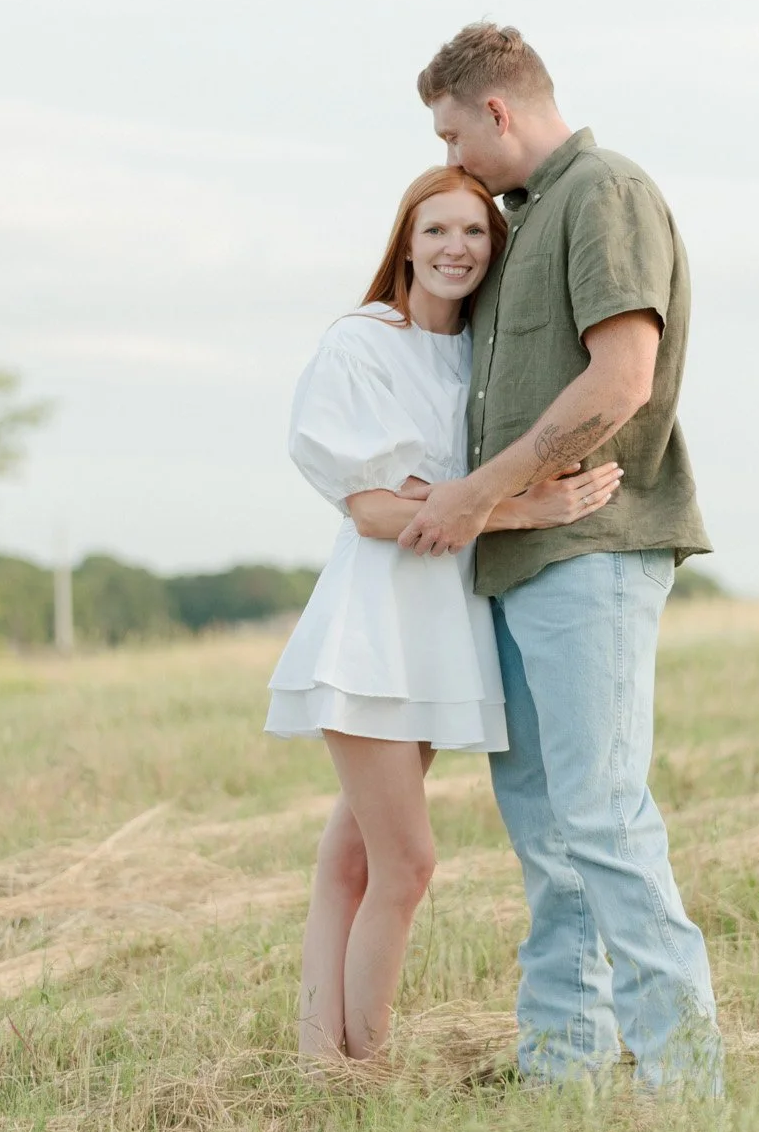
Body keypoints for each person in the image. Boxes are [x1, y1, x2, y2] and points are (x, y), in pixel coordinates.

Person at [399, 23, 725, 1095]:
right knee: (545, 833)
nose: (454, 157)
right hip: (517, 567)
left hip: (593, 553)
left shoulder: (604, 193)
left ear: (497, 110)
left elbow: (619, 377)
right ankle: (561, 1077)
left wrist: (480, 493)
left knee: (600, 813)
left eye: (454, 132)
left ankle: (685, 1087)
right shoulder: (514, 224)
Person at [266, 164, 623, 1064]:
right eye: (436, 231)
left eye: (473, 233)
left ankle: (322, 1064)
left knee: (354, 857)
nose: (455, 249)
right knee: (408, 864)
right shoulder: (361, 343)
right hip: (376, 628)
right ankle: (359, 1068)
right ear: (405, 241)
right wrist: (524, 509)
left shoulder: (475, 357)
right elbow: (375, 511)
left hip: (439, 629)